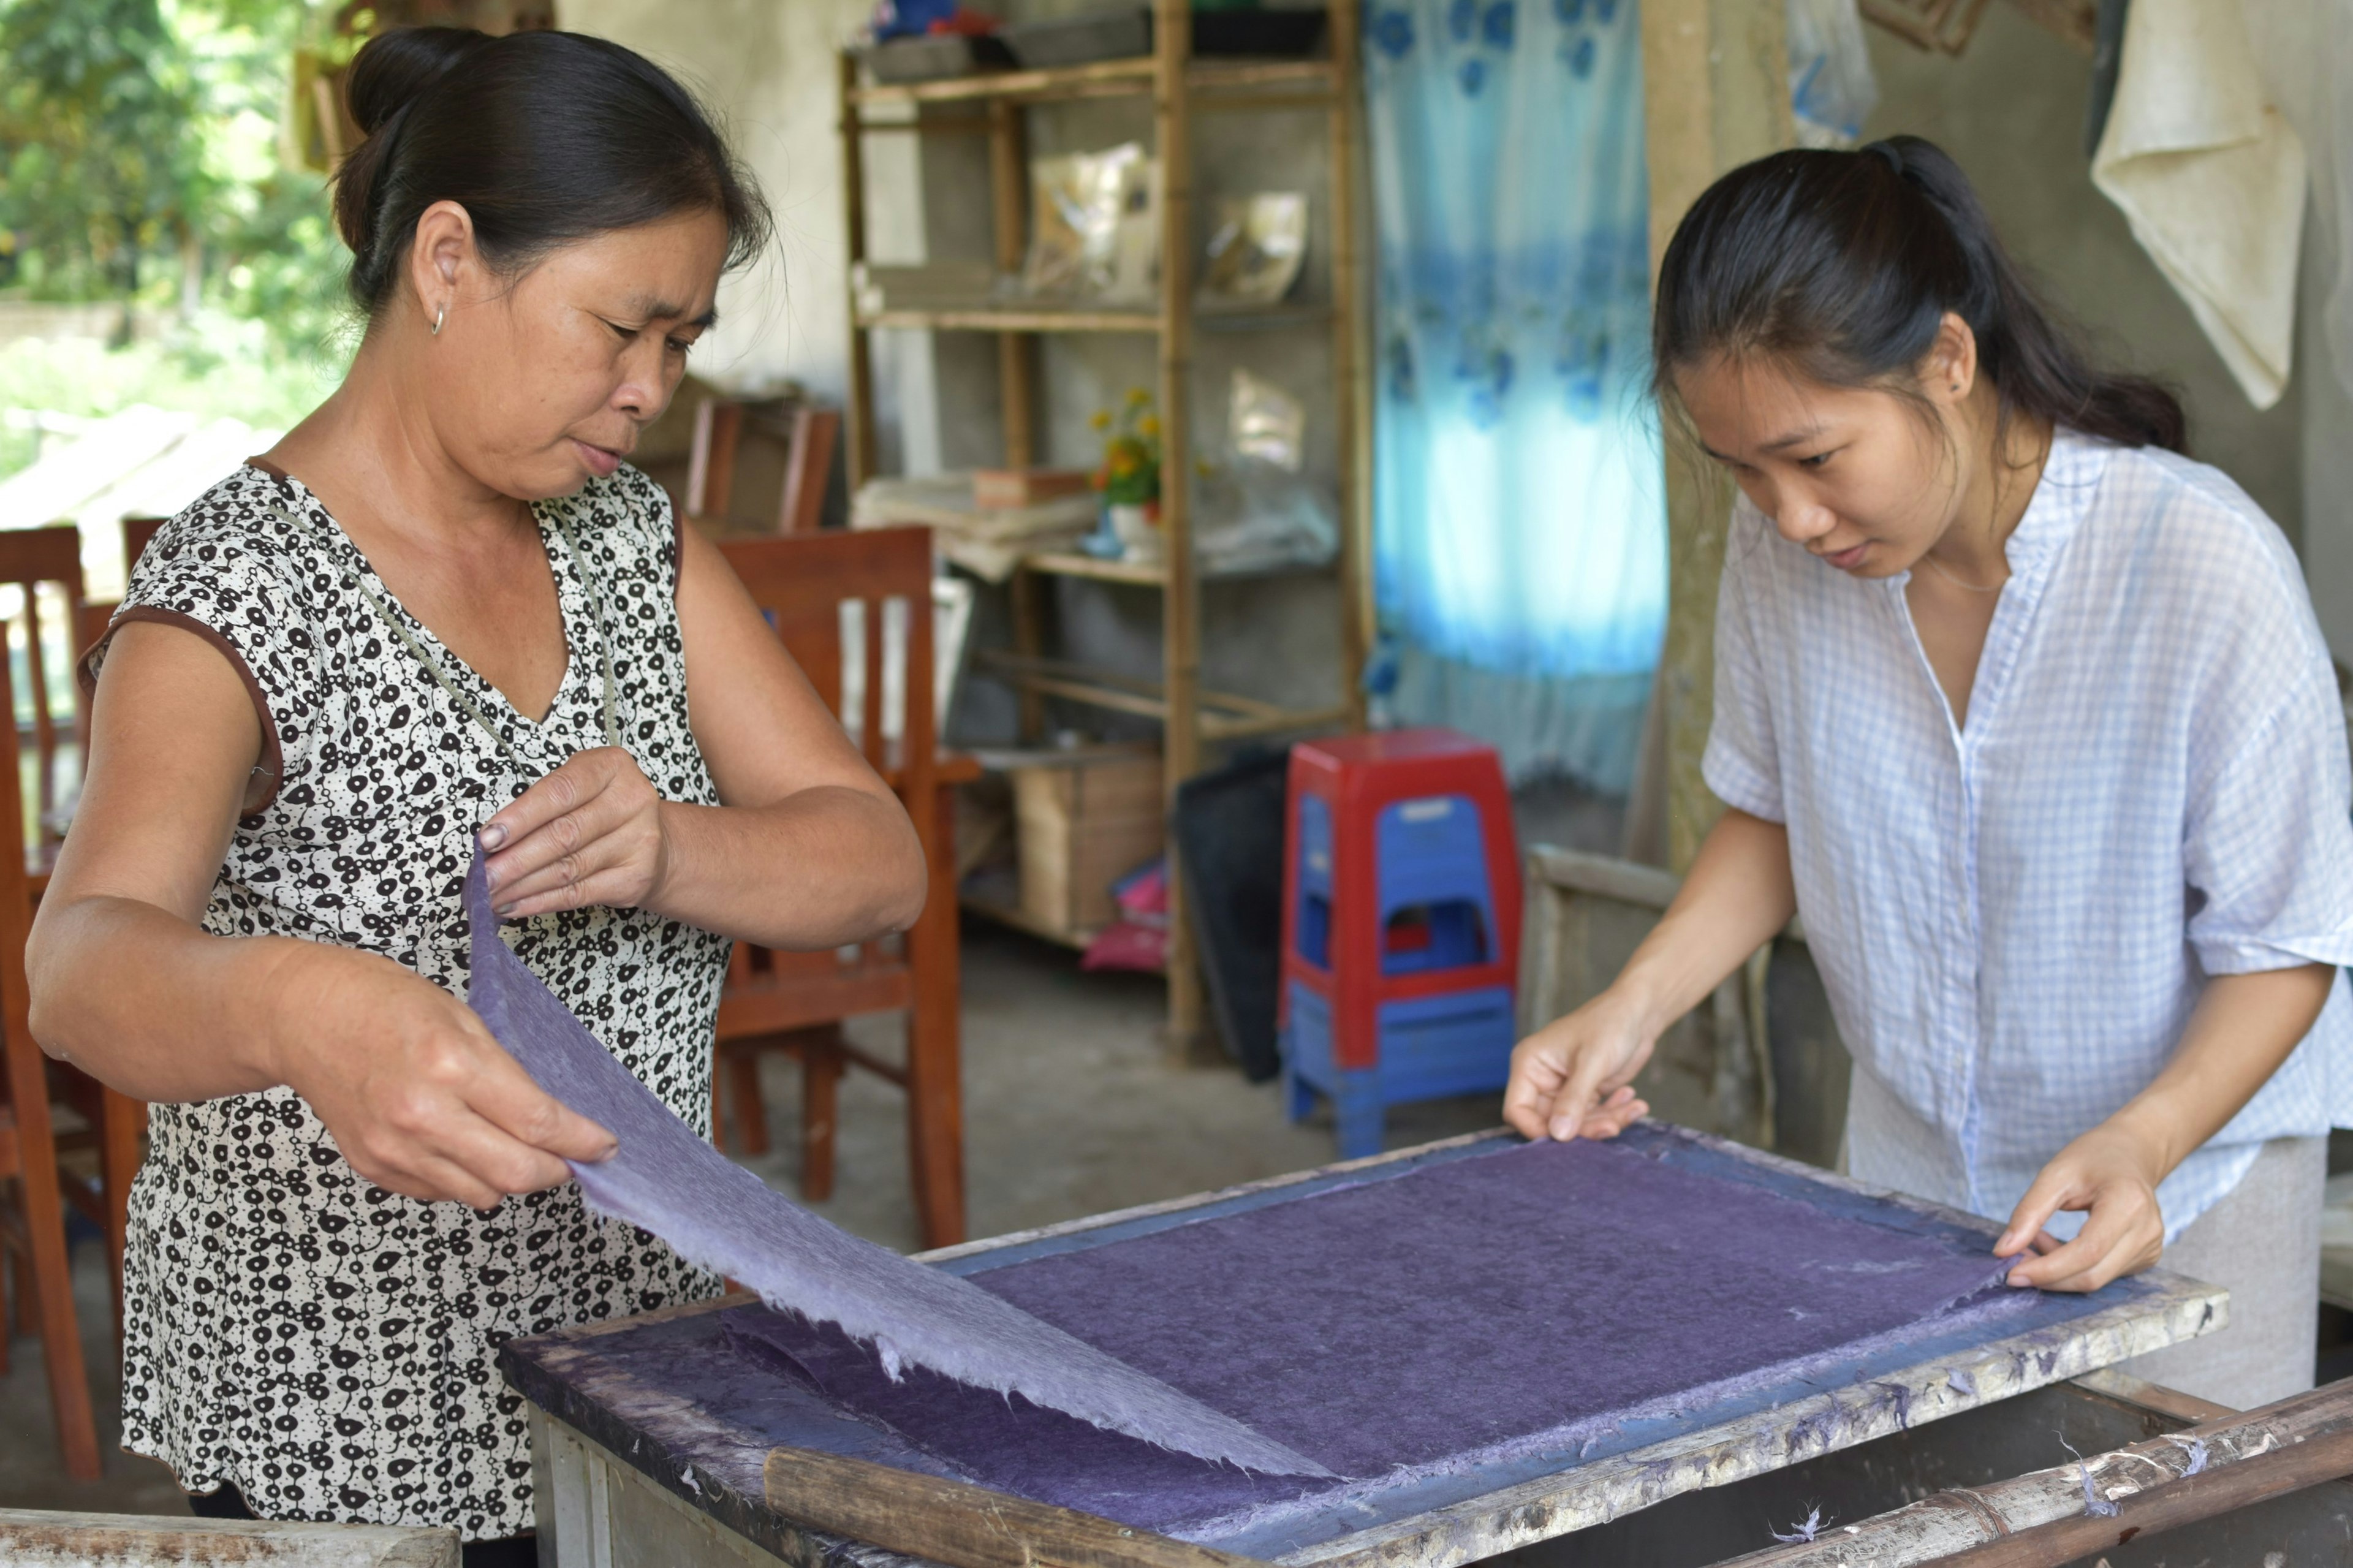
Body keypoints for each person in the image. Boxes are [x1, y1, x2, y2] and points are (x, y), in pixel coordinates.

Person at [27, 27, 927, 1562]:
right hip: (340, 1421)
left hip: (630, 1362)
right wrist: (297, 1007)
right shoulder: (239, 593)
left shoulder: (631, 544)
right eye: (619, 328)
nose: (650, 388)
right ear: (448, 261)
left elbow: (877, 862)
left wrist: (673, 844)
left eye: (683, 342)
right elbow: (80, 963)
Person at [1504, 135, 2353, 1411]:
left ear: (1948, 360)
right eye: (1743, 468)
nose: (1788, 513)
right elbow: (1776, 812)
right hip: (1902, 1192)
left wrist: (2144, 1139)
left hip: (2181, 1196)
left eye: (1815, 456)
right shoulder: (1788, 554)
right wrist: (1632, 1005)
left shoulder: (2200, 564)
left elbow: (2285, 942)